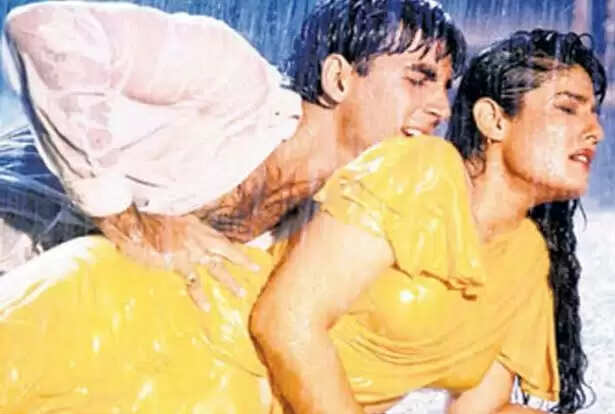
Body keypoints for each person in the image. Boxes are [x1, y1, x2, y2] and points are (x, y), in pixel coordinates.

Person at [0, 30, 605, 414]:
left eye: (595, 113)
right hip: (133, 324)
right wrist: (125, 216)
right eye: (568, 108)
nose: (594, 130)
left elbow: (480, 412)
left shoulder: (528, 264)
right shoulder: (420, 169)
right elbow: (285, 322)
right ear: (493, 121)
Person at [0, 0, 465, 307]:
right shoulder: (229, 79)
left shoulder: (322, 215)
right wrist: (124, 220)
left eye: (446, 88)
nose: (441, 109)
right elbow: (45, 30)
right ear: (339, 78)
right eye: (418, 79)